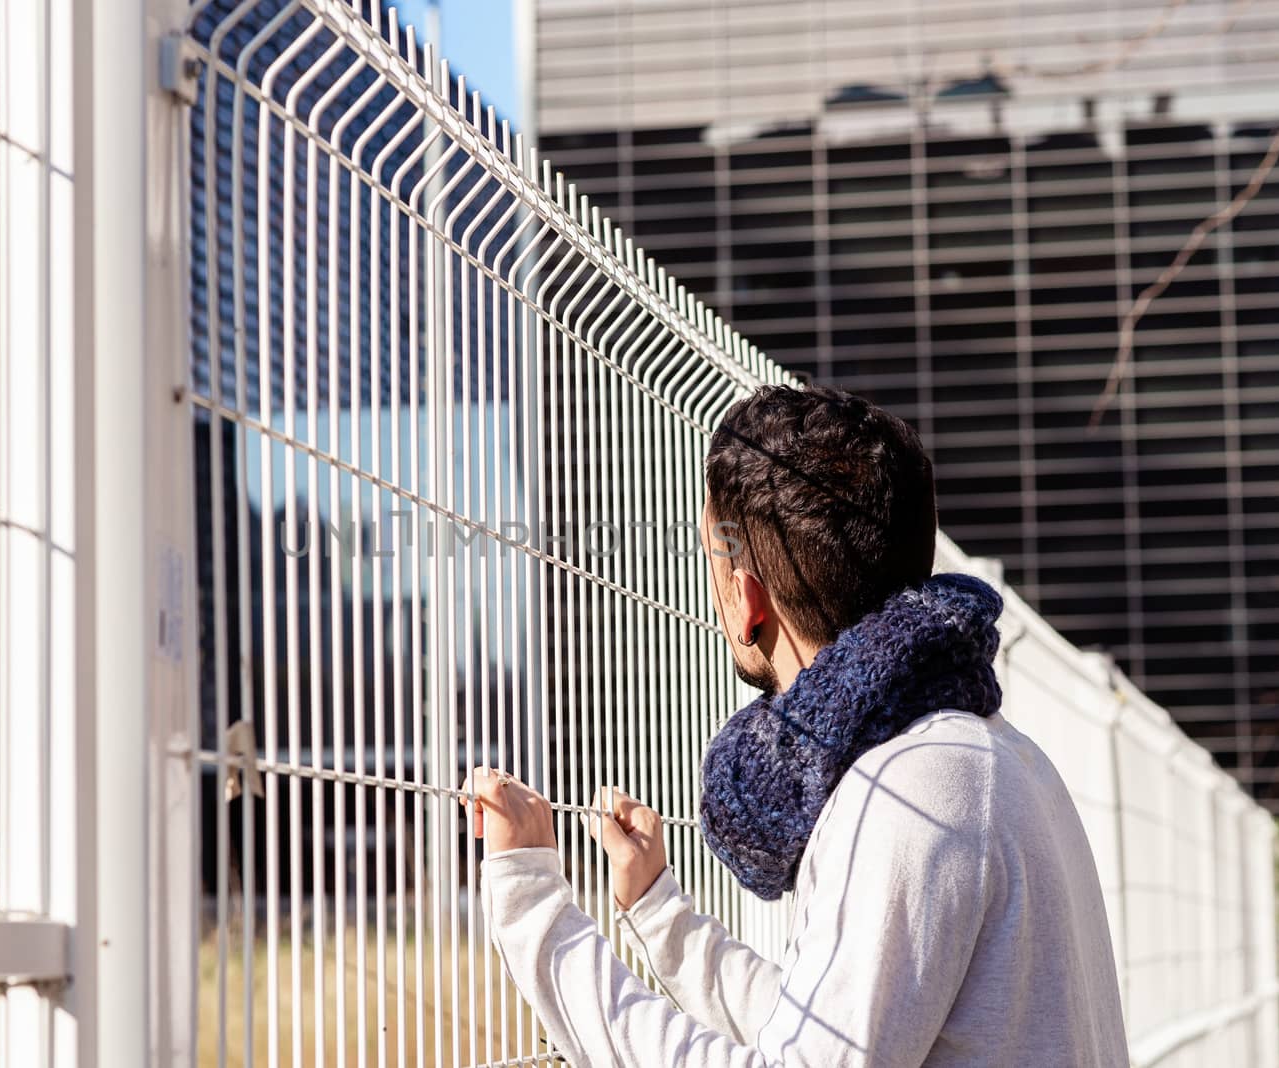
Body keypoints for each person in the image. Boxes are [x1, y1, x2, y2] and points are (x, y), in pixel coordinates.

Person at [465, 385, 1130, 1068]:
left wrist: (531, 903)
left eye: (713, 563)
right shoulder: (985, 755)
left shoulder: (907, 794)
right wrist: (659, 911)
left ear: (748, 599)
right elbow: (826, 1030)